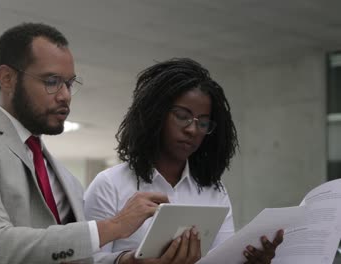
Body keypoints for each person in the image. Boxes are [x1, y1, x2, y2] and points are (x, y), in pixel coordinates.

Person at [0, 22, 169, 264]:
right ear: (7, 78)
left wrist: (125, 261)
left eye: (69, 83)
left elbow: (69, 252)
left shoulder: (65, 179)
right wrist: (115, 226)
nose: (65, 96)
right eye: (51, 82)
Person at [84, 58, 284, 264]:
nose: (192, 130)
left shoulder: (214, 191)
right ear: (155, 114)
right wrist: (130, 261)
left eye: (203, 123)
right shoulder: (109, 184)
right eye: (182, 116)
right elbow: (86, 260)